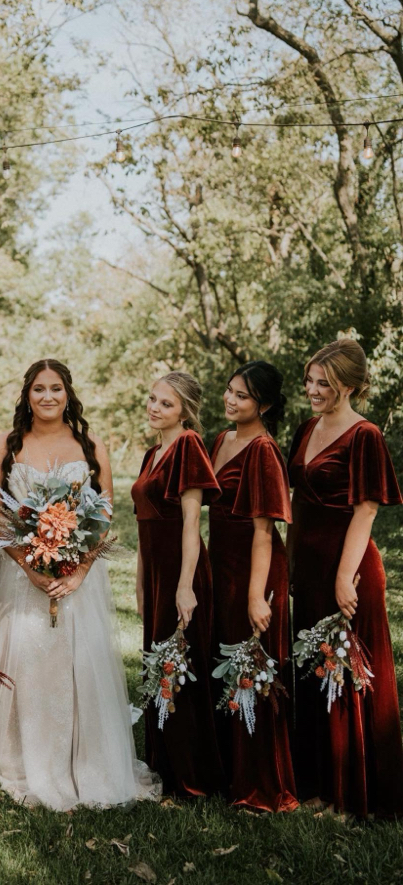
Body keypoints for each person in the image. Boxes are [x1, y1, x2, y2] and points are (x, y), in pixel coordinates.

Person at [0, 359, 159, 810]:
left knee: (81, 661)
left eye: (56, 388)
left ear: (68, 393)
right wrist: (30, 568)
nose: (47, 397)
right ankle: (28, 759)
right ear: (27, 394)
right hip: (23, 576)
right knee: (30, 659)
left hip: (82, 576)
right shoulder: (5, 445)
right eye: (39, 389)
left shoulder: (89, 444)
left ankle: (87, 760)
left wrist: (79, 569)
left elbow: (102, 515)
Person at [287, 339, 403, 817]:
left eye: (325, 385)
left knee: (347, 675)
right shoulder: (306, 427)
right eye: (311, 381)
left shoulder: (365, 435)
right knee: (313, 674)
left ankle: (351, 793)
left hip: (349, 569)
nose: (314, 391)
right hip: (308, 568)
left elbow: (367, 508)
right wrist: (289, 561)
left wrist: (344, 576)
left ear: (350, 386)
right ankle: (317, 783)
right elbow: (295, 502)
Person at [209, 361, 297, 813]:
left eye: (241, 396)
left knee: (252, 671)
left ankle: (260, 784)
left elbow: (264, 531)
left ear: (263, 404)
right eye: (229, 391)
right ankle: (227, 773)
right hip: (221, 565)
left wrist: (254, 594)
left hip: (256, 570)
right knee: (222, 665)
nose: (230, 400)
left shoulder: (263, 450)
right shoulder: (221, 439)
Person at [132, 371, 224, 798]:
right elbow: (142, 527)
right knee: (158, 663)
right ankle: (164, 765)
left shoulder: (188, 446)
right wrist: (139, 582)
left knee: (180, 667)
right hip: (154, 570)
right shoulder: (152, 454)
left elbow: (192, 522)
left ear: (185, 410)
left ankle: (191, 778)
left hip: (180, 569)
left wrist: (185, 585)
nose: (154, 407)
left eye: (165, 404)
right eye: (152, 399)